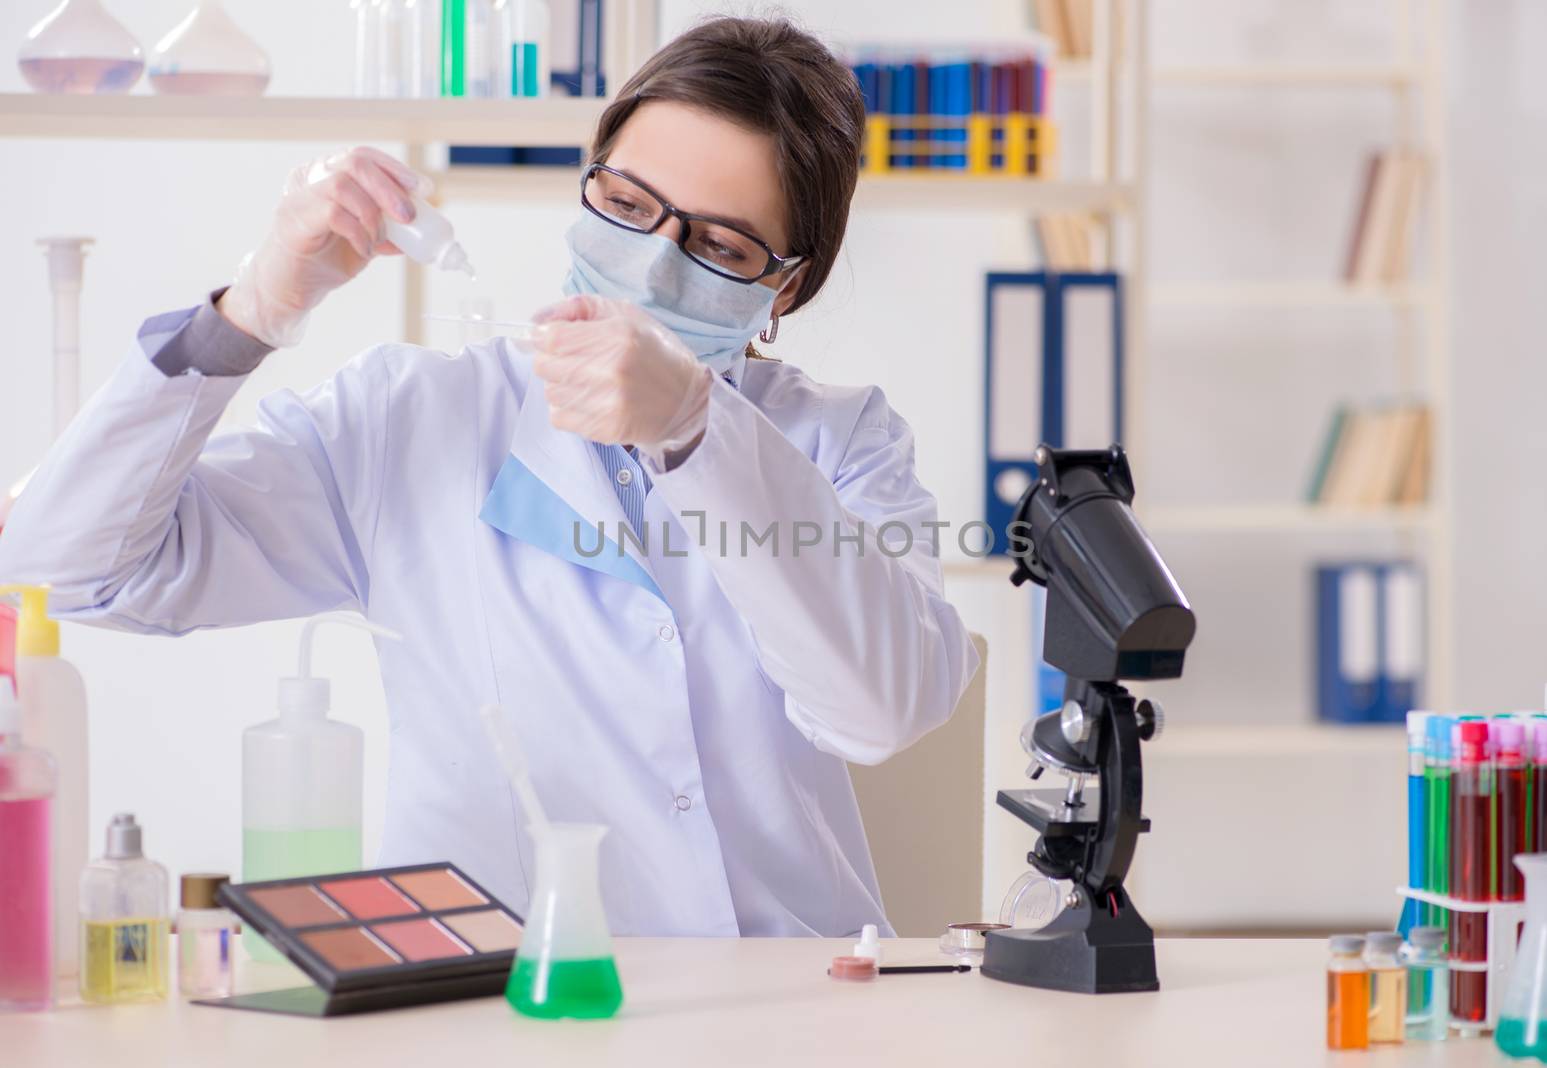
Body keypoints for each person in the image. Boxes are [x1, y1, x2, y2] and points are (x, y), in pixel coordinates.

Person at [0, 17, 977, 937]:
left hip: (787, 1001)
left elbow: (881, 708)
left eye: (720, 246)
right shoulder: (410, 420)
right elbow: (72, 568)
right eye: (627, 205)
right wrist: (249, 309)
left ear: (786, 286)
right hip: (495, 997)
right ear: (587, 183)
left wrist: (697, 433)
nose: (650, 261)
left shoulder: (839, 439)